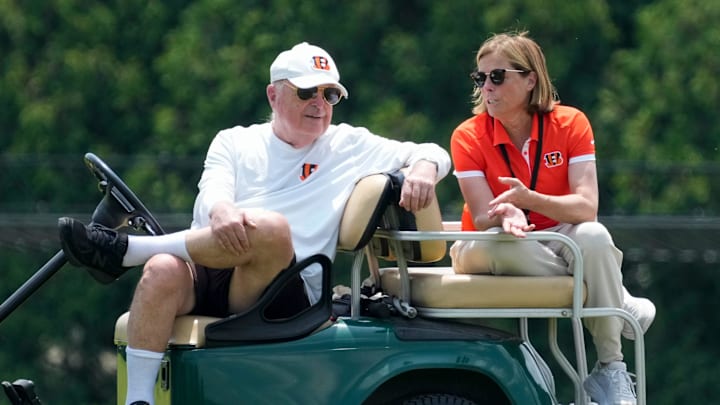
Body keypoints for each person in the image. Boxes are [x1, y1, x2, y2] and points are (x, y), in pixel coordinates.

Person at [57, 42, 451, 405]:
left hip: (286, 289)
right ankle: (138, 399)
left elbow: (434, 151)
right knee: (160, 270)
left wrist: (422, 169)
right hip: (214, 267)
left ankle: (125, 251)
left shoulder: (348, 144)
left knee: (272, 228)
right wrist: (222, 210)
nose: (320, 104)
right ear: (273, 95)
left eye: (329, 94)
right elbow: (214, 190)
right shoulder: (234, 141)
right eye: (306, 92)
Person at [448, 31, 654, 405]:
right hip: (488, 242)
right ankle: (612, 296)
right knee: (513, 245)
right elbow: (481, 216)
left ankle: (610, 368)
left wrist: (529, 199)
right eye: (481, 78)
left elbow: (586, 208)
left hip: (558, 238)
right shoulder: (467, 135)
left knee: (593, 235)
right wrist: (507, 211)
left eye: (497, 76)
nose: (487, 87)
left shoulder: (571, 123)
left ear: (531, 79)